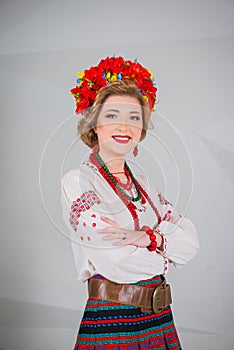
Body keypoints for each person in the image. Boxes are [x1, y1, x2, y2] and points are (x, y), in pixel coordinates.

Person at [61, 56, 199, 349]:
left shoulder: (143, 183)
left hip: (160, 319)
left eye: (134, 117)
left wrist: (145, 238)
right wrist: (163, 244)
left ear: (141, 129)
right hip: (114, 319)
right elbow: (116, 258)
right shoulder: (78, 182)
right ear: (93, 123)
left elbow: (189, 242)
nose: (124, 125)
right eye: (112, 115)